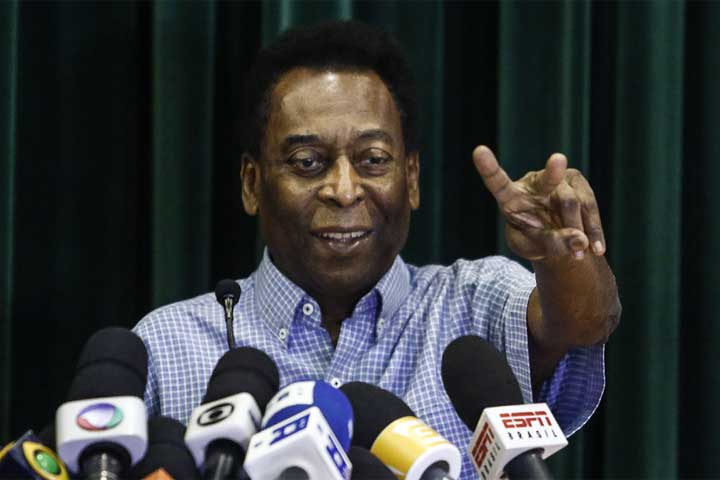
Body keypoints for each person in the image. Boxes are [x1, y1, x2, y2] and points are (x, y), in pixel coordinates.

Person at [133, 20, 620, 477]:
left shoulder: (472, 304)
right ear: (251, 183)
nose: (344, 191)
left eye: (372, 160)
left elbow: (582, 323)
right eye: (307, 162)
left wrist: (566, 256)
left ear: (411, 177)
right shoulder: (167, 346)